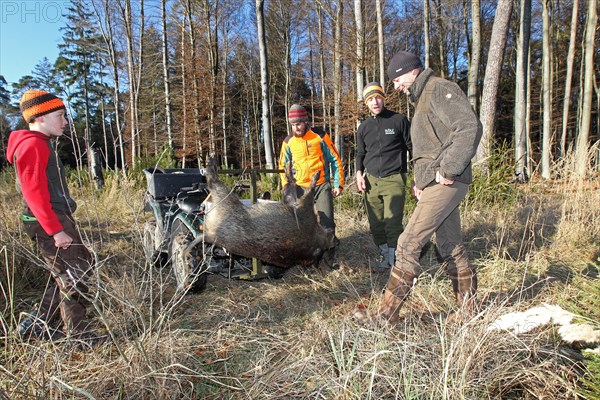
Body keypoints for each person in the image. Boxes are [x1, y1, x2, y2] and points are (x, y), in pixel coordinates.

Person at [355, 51, 483, 324]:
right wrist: (421, 182)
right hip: (436, 182)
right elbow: (430, 147)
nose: (396, 87)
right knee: (449, 244)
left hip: (448, 179)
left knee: (408, 242)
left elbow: (468, 127)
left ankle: (386, 315)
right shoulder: (423, 97)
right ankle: (469, 310)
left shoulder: (439, 89)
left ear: (412, 71)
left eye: (398, 79)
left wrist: (449, 168)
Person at [7, 90, 95, 341]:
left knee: (71, 270)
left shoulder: (41, 144)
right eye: (59, 115)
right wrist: (55, 230)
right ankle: (78, 338)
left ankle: (38, 324)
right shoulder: (33, 145)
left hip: (54, 217)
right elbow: (33, 194)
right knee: (73, 276)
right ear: (40, 118)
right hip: (48, 221)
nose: (65, 121)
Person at [355, 82, 411, 273]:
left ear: (383, 98)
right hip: (371, 181)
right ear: (366, 103)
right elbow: (360, 154)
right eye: (370, 99)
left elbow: (412, 147)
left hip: (394, 178)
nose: (375, 102)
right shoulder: (363, 127)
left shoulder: (399, 120)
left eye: (377, 97)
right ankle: (386, 257)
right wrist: (358, 175)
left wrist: (419, 174)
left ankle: (397, 263)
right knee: (376, 223)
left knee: (392, 222)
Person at [279, 104, 344, 266]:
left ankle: (331, 257)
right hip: (300, 188)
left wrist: (338, 184)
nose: (296, 127)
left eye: (299, 123)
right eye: (293, 124)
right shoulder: (288, 142)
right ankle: (305, 258)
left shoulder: (320, 136)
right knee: (300, 224)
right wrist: (286, 186)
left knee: (326, 221)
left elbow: (335, 159)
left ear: (306, 121)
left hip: (321, 185)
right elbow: (282, 165)